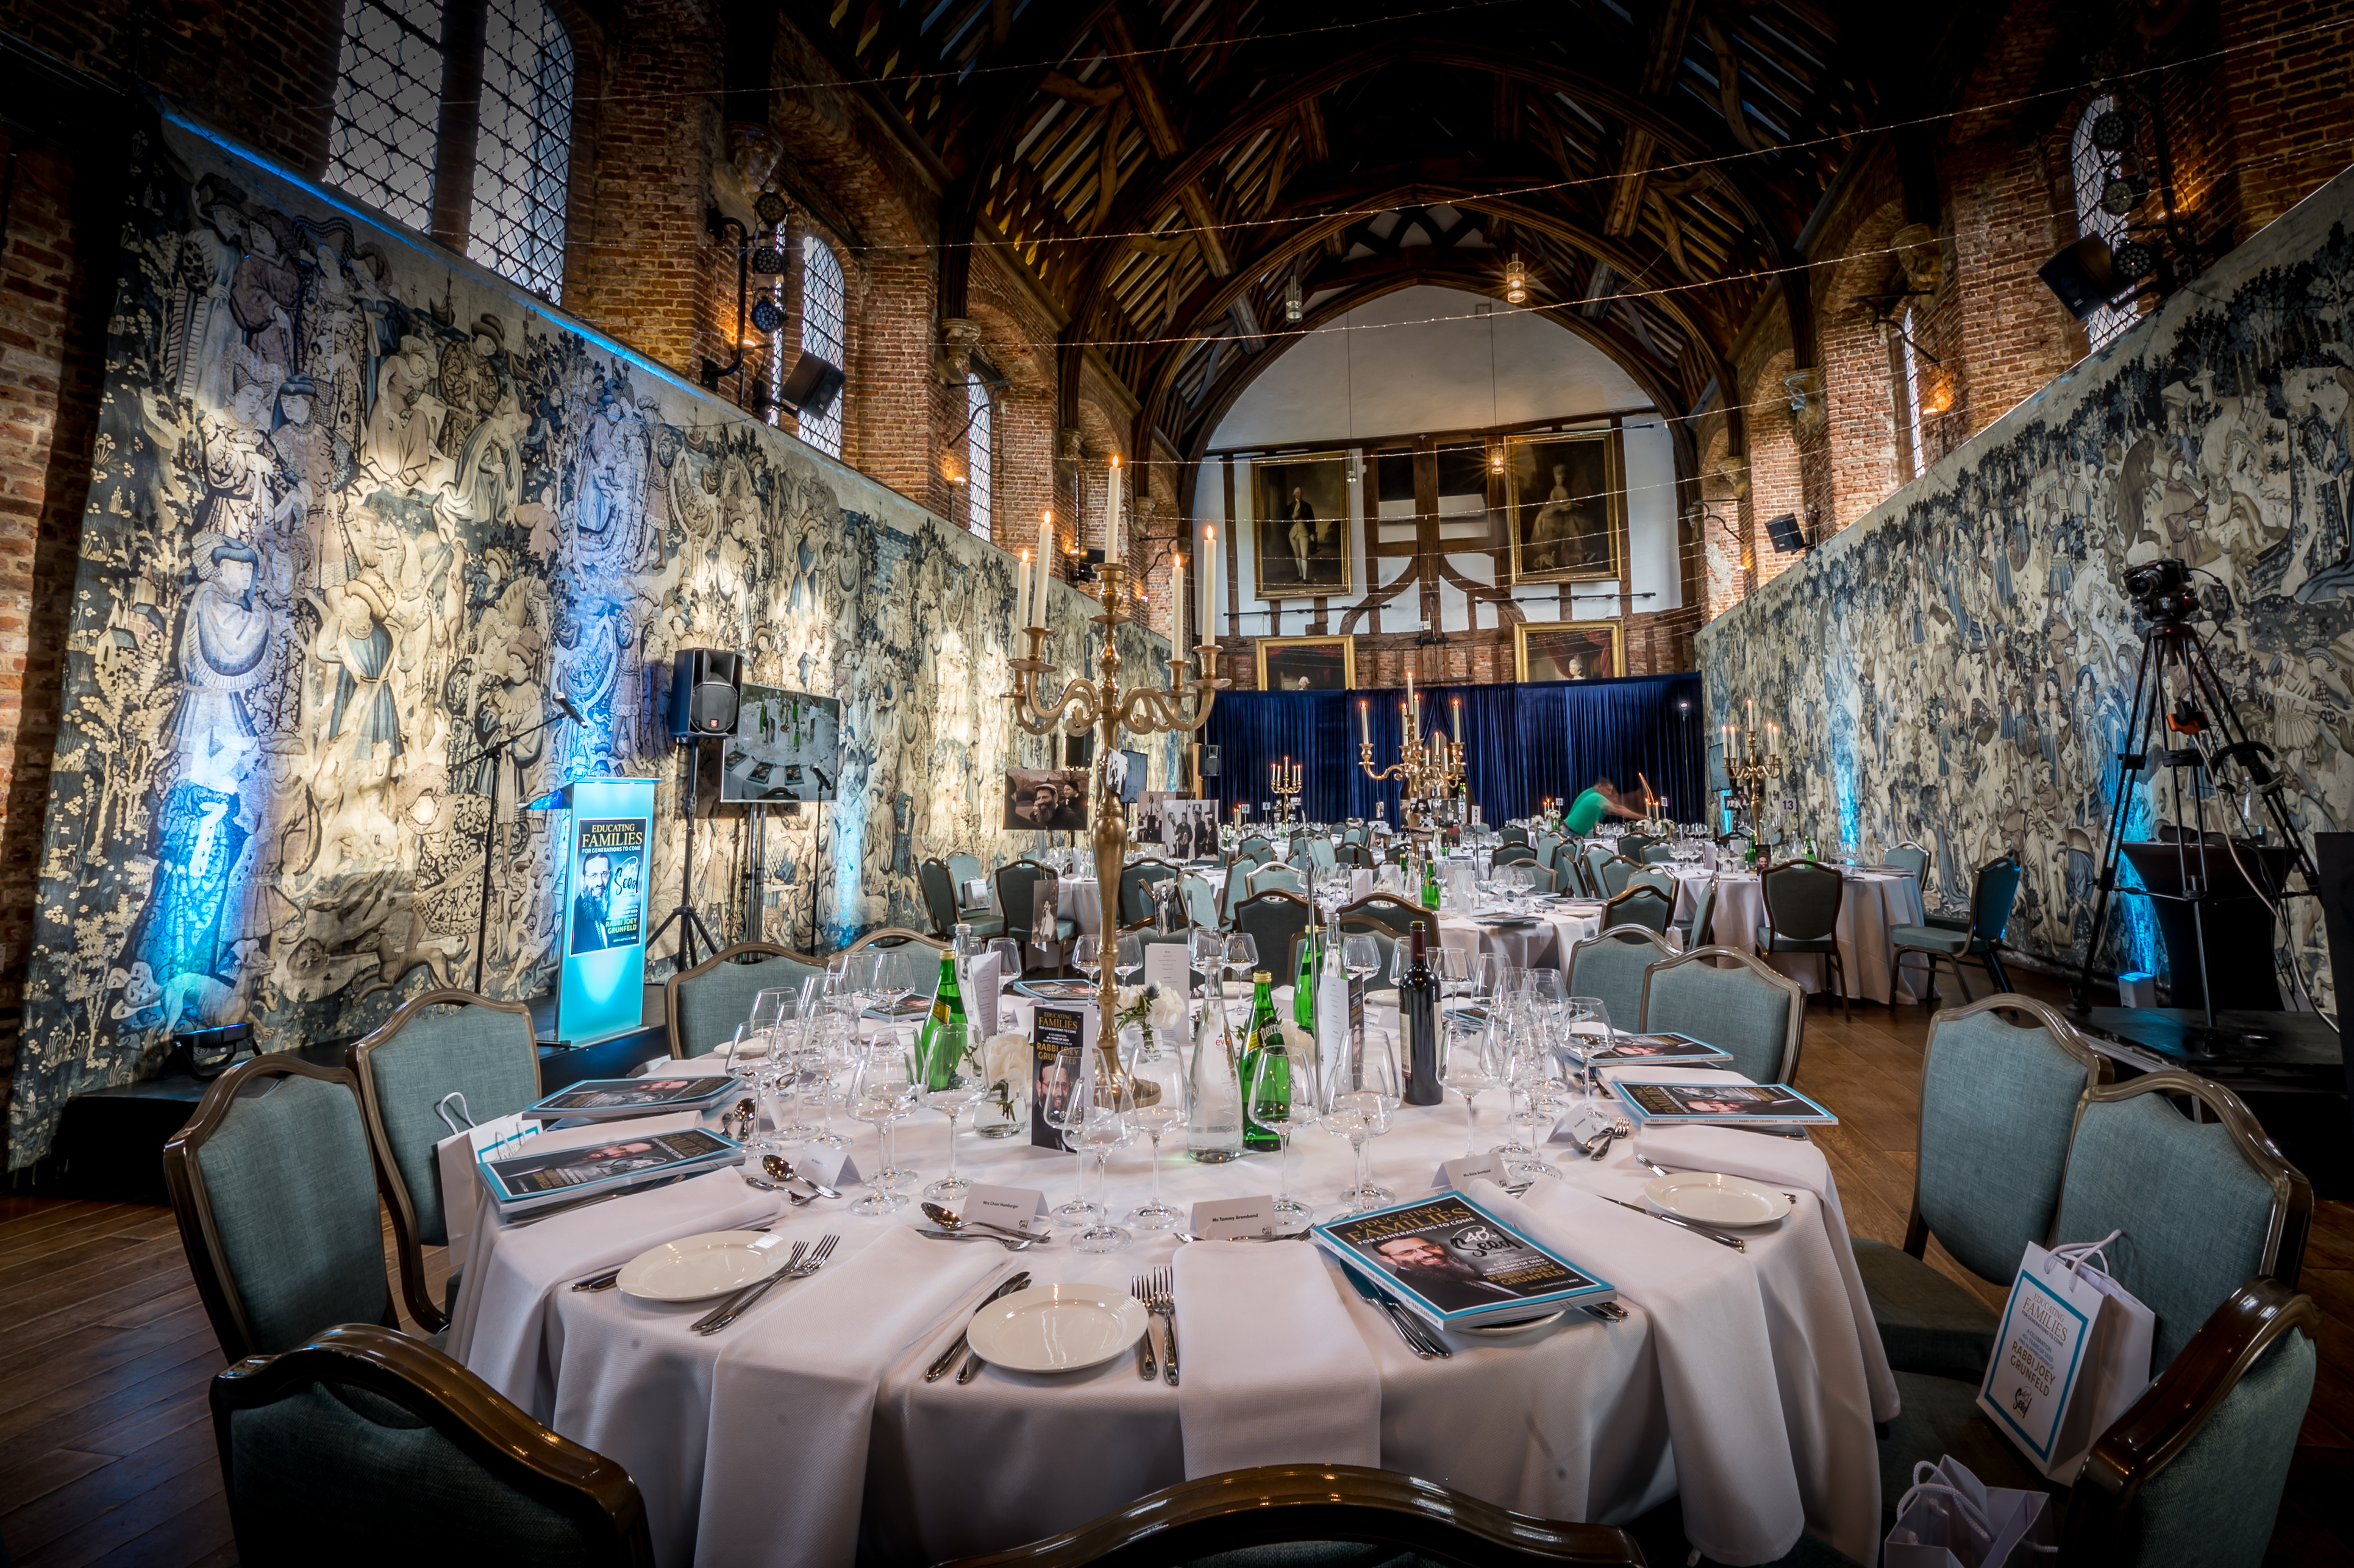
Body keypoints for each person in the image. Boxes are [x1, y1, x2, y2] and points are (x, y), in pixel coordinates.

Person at [1370, 1235, 1522, 1313]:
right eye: (1407, 1252)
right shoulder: (1413, 1289)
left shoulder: (1462, 1269)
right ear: (1388, 1260)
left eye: (1427, 1247)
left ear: (1439, 1246)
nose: (1426, 1255)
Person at [1563, 777, 1642, 836]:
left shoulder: (1590, 793)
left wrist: (1595, 829)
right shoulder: (1597, 797)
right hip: (1571, 832)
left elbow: (1592, 813)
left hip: (1570, 830)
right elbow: (1618, 809)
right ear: (1600, 787)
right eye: (1608, 790)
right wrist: (1642, 817)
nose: (1610, 793)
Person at [572, 852, 613, 952]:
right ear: (582, 881)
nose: (600, 882)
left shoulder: (611, 910)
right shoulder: (572, 916)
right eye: (593, 875)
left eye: (604, 874)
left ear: (610, 875)